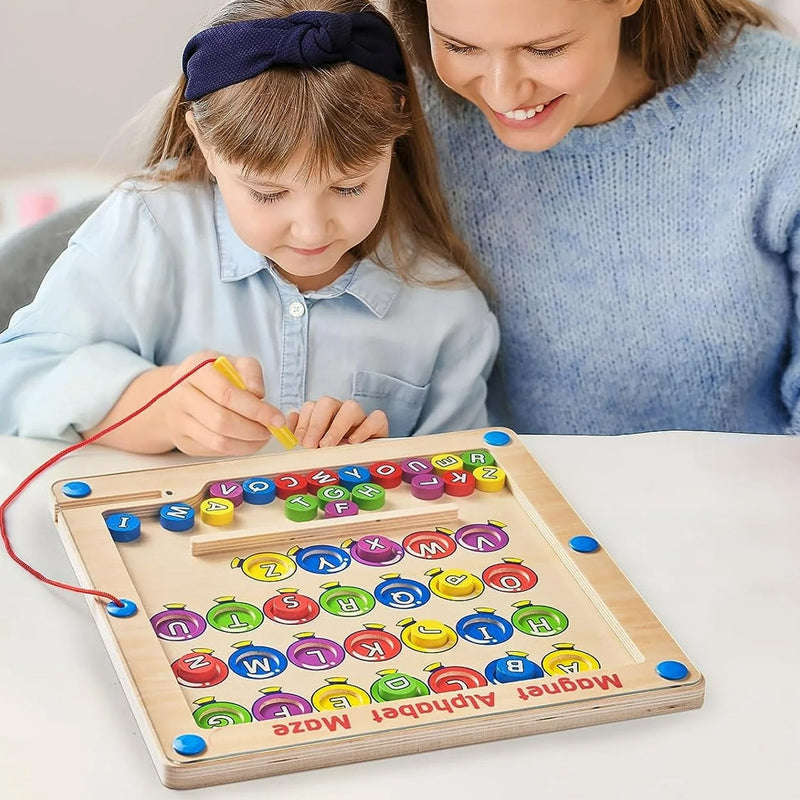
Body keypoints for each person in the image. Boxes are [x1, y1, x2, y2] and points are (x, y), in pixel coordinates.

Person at [0, 0, 498, 456]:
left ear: (398, 137)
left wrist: (384, 465)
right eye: (267, 193)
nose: (309, 231)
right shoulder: (151, 227)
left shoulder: (449, 316)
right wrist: (157, 409)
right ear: (205, 144)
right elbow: (18, 379)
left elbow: (471, 488)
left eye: (348, 189)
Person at [388, 0, 800, 436]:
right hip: (502, 497)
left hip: (754, 496)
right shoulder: (402, 113)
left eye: (544, 49)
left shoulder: (780, 106)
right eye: (460, 47)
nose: (502, 93)